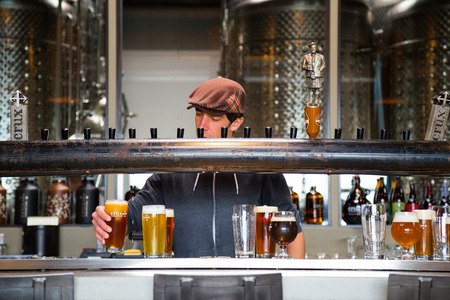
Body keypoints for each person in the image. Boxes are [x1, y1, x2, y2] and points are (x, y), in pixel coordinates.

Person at [92, 77, 305, 258]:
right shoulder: (172, 169)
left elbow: (291, 227)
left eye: (214, 118)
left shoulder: (261, 170)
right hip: (187, 285)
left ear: (236, 123)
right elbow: (133, 215)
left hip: (246, 284)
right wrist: (107, 218)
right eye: (199, 114)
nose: (202, 126)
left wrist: (297, 285)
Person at [302, 41, 326, 106]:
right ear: (310, 48)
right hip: (309, 75)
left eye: (314, 48)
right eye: (312, 48)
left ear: (316, 48)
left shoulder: (321, 56)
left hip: (317, 74)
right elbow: (303, 66)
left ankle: (316, 100)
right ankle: (310, 100)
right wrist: (307, 67)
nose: (313, 49)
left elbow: (324, 65)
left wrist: (319, 70)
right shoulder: (306, 57)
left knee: (317, 88)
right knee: (310, 88)